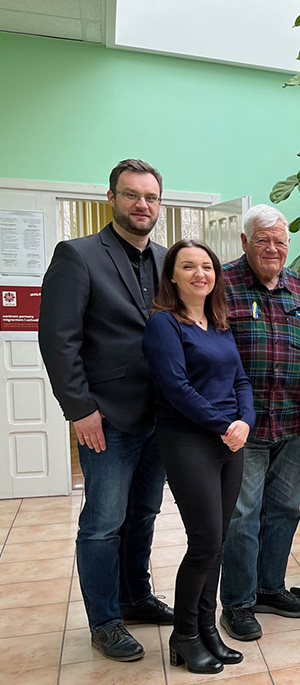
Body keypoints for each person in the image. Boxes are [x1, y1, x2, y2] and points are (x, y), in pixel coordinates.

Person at [38, 159, 173, 662]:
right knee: (102, 522)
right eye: (132, 195)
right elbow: (58, 339)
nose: (142, 205)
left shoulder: (167, 259)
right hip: (106, 418)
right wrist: (80, 409)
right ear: (112, 198)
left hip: (161, 415)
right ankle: (105, 619)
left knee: (144, 514)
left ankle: (135, 596)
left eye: (151, 197)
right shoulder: (77, 255)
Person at [142, 240, 254, 674]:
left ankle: (207, 628)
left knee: (218, 542)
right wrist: (224, 426)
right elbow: (175, 387)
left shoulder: (219, 323)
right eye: (188, 266)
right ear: (172, 275)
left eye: (206, 266)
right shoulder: (163, 324)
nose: (199, 274)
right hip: (188, 440)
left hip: (229, 441)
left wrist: (244, 421)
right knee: (204, 540)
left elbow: (240, 378)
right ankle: (184, 635)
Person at [220, 205, 300, 641]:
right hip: (243, 428)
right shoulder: (221, 283)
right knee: (242, 517)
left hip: (292, 423)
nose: (272, 248)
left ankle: (270, 587)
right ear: (244, 242)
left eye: (279, 241)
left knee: (282, 511)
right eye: (263, 240)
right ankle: (237, 602)